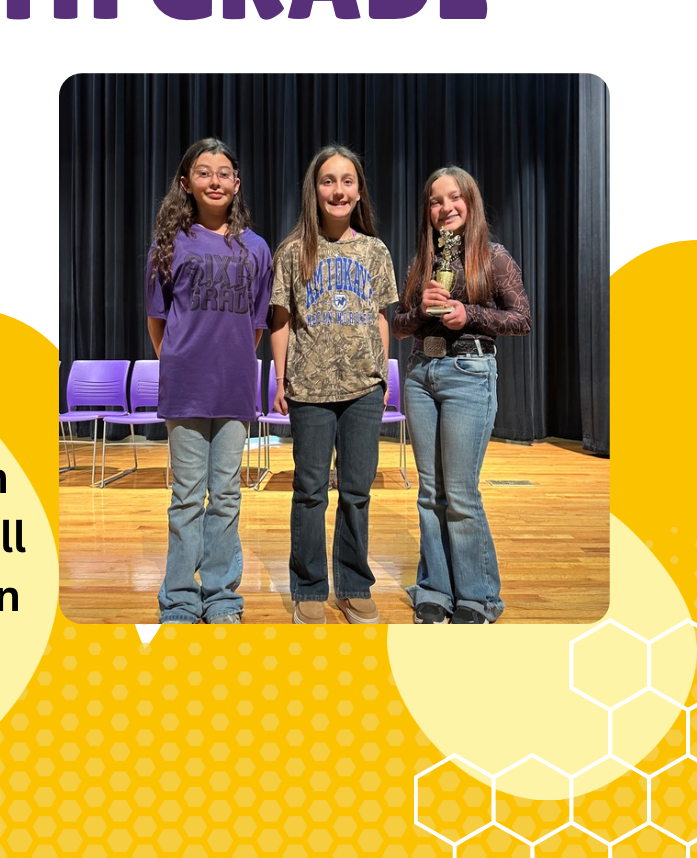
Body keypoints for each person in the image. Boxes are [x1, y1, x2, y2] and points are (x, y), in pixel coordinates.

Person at [393, 166, 531, 625]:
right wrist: (420, 308)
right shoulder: (421, 261)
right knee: (429, 493)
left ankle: (476, 596)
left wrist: (465, 313)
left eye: (454, 198)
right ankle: (434, 588)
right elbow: (396, 324)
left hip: (469, 372)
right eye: (436, 201)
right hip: (420, 373)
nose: (446, 207)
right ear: (427, 211)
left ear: (470, 203)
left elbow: (522, 319)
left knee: (460, 493)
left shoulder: (493, 257)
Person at [270, 146, 398, 625]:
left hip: (364, 389)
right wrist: (280, 378)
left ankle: (353, 584)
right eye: (328, 180)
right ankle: (307, 585)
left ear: (358, 190)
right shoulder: (292, 250)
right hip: (310, 390)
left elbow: (380, 316)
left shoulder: (374, 250)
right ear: (314, 189)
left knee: (357, 489)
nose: (338, 190)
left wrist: (382, 373)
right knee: (309, 490)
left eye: (347, 181)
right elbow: (280, 320)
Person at [146, 138, 272, 625]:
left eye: (224, 173)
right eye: (204, 172)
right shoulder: (169, 244)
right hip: (185, 389)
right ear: (186, 183)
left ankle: (221, 596)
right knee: (185, 496)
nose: (214, 181)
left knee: (225, 495)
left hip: (235, 389)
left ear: (236, 184)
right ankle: (179, 597)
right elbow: (157, 319)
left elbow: (257, 324)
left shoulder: (255, 248)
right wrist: (180, 363)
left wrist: (232, 362)